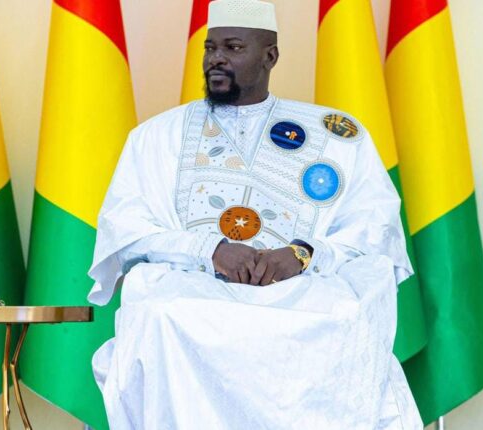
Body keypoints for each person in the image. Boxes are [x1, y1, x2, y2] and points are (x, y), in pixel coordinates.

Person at [87, 0, 423, 428]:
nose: (216, 59)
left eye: (233, 47)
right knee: (159, 309)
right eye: (211, 48)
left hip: (300, 292)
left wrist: (302, 255)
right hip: (196, 291)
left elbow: (374, 229)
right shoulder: (156, 137)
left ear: (270, 56)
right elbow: (125, 229)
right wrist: (208, 250)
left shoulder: (335, 136)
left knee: (345, 312)